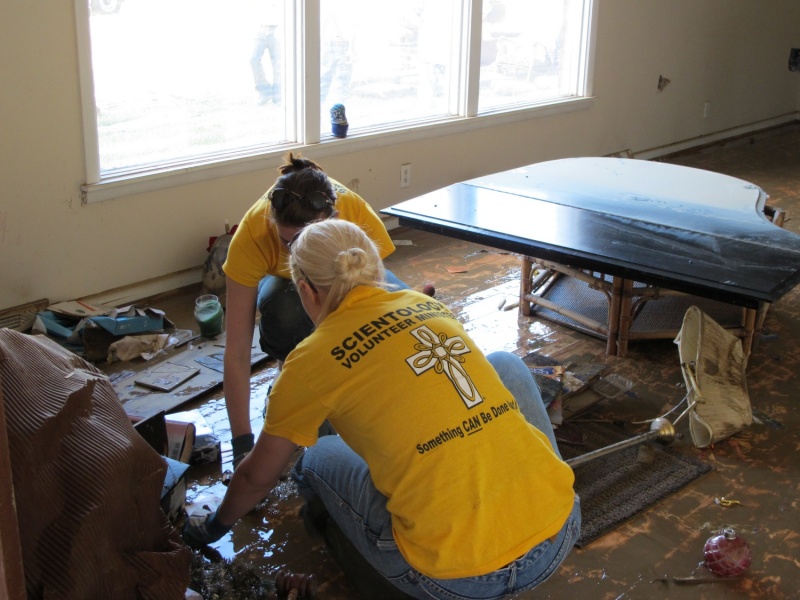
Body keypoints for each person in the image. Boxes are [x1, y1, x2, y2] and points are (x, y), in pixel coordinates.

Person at [184, 219, 581, 600]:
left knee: (318, 456)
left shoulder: (309, 360)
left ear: (305, 290)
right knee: (504, 363)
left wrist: (214, 527)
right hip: (560, 531)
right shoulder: (427, 306)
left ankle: (340, 541)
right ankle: (535, 488)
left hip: (455, 579)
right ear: (375, 268)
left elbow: (257, 477)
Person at [221, 153, 406, 470]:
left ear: (336, 219)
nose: (298, 255)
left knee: (402, 316)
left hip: (344, 271)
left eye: (309, 242)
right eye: (288, 242)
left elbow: (373, 304)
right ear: (273, 225)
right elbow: (236, 351)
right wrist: (242, 447)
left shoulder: (355, 214)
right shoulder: (252, 235)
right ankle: (287, 367)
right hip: (284, 290)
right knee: (286, 312)